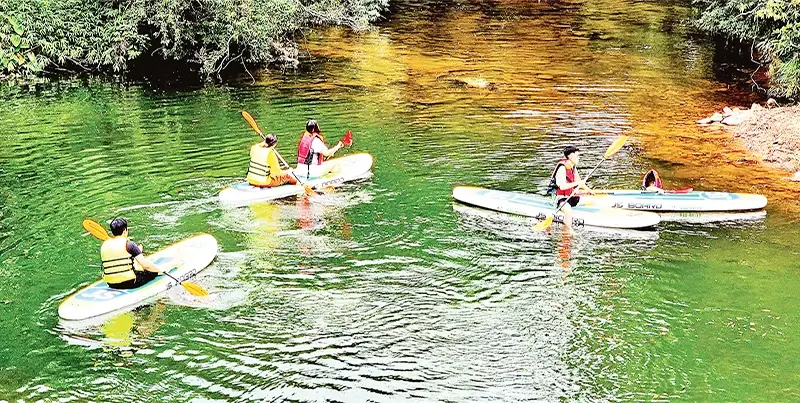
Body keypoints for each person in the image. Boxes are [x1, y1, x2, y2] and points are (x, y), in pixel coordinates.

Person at [101, 218, 164, 290]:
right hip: (129, 283)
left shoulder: (104, 245)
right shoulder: (129, 245)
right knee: (151, 271)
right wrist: (160, 270)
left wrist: (137, 251)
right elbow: (146, 266)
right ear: (125, 231)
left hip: (111, 284)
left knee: (137, 267)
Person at [547, 145, 589, 231]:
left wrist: (590, 191)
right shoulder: (562, 168)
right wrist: (578, 183)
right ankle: (568, 230)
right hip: (560, 198)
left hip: (571, 195)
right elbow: (562, 186)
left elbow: (579, 181)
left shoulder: (573, 166)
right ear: (570, 156)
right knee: (568, 211)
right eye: (577, 156)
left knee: (590, 199)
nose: (578, 158)